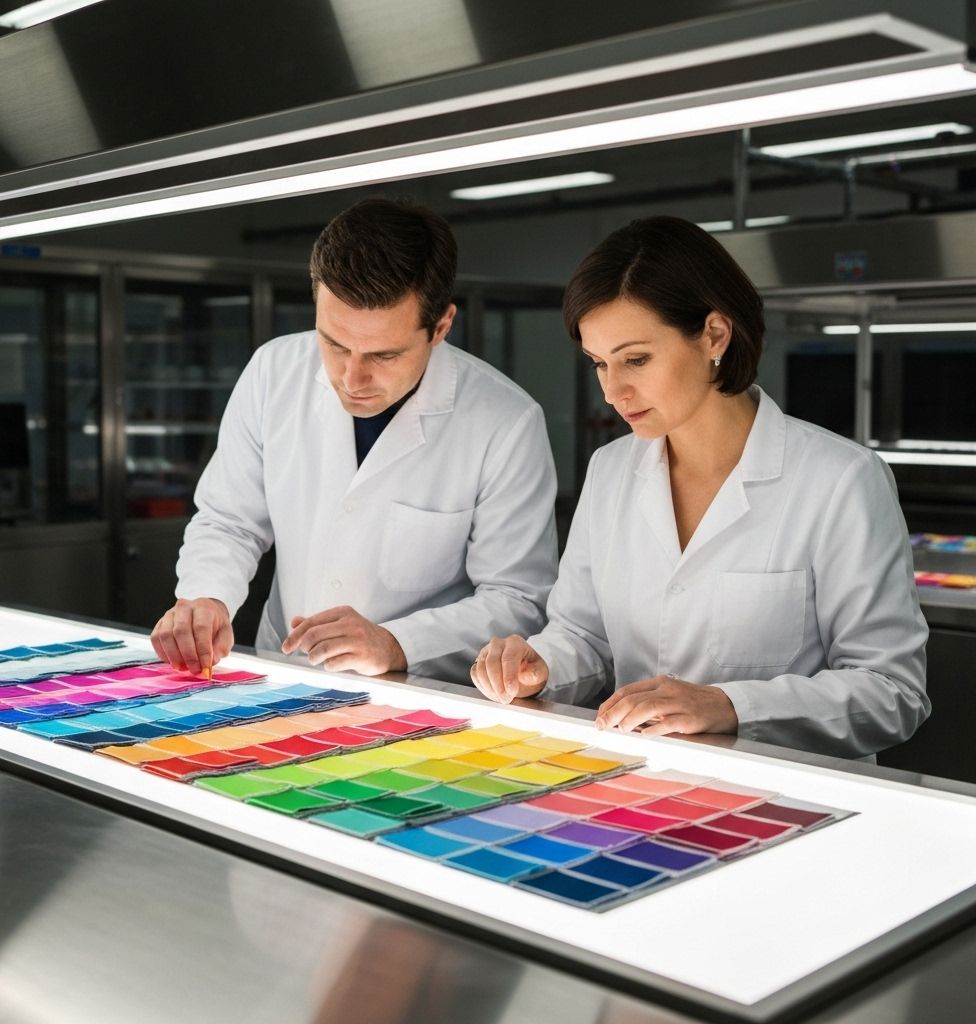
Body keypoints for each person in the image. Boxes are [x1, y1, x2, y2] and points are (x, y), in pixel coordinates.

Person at [471, 215, 929, 759]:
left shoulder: (841, 479)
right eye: (599, 364)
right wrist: (539, 667)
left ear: (714, 334)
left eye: (636, 359)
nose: (613, 391)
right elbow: (585, 636)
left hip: (787, 797)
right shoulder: (611, 469)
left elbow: (892, 691)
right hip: (643, 780)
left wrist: (731, 707)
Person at [152, 197, 558, 684]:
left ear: (441, 327)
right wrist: (205, 596)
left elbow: (518, 599)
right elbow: (231, 520)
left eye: (383, 354)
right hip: (284, 673)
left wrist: (396, 642)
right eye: (334, 343)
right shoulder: (273, 371)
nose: (352, 377)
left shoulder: (505, 420)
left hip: (416, 693)